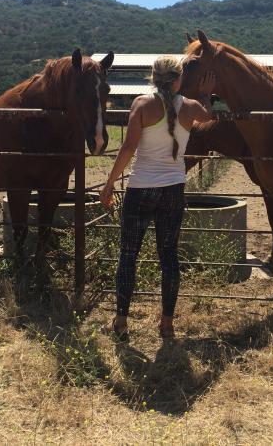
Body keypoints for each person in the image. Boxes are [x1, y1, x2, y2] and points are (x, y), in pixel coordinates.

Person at [99, 55, 215, 340]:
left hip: (141, 188)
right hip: (174, 189)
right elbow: (209, 115)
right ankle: (166, 323)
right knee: (169, 257)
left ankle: (122, 321)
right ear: (178, 80)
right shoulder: (191, 107)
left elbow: (127, 148)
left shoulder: (141, 104)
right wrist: (204, 94)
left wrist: (110, 182)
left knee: (128, 255)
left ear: (152, 77)